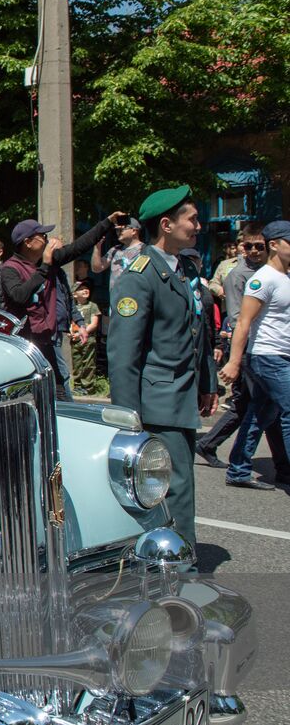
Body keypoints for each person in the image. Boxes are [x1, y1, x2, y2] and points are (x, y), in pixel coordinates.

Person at [107, 186, 216, 545]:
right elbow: (124, 352)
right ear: (166, 225)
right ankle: (181, 568)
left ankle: (166, 558)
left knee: (174, 485)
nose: (198, 226)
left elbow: (198, 330)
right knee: (176, 487)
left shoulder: (185, 269)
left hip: (182, 395)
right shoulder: (139, 275)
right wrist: (127, 416)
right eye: (193, 219)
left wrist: (208, 383)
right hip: (158, 401)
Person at [1, 212, 124, 394]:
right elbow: (19, 295)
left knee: (58, 390)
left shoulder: (51, 261)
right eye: (42, 236)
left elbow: (79, 246)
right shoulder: (10, 268)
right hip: (25, 343)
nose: (47, 240)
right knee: (27, 392)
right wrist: (44, 268)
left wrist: (107, 222)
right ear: (27, 242)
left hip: (47, 339)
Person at [219, 220, 290, 490]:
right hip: (267, 356)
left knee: (260, 413)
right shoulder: (263, 279)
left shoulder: (285, 277)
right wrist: (234, 362)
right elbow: (243, 322)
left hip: (280, 355)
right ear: (274, 245)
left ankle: (238, 469)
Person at [197, 223, 273, 469]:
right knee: (256, 402)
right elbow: (240, 318)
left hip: (259, 344)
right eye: (248, 246)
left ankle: (209, 444)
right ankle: (235, 459)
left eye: (259, 246)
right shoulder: (239, 275)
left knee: (250, 402)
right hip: (247, 345)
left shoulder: (269, 272)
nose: (253, 251)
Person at [90, 217, 144, 297]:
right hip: (115, 302)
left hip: (136, 301)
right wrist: (97, 247)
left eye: (122, 229)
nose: (118, 232)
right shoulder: (114, 250)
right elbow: (97, 268)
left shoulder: (146, 250)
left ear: (134, 231)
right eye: (117, 230)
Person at [69, 281, 102, 395]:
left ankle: (88, 387)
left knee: (88, 363)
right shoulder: (72, 308)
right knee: (76, 363)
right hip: (75, 340)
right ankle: (77, 386)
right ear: (74, 294)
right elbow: (70, 323)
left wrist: (81, 333)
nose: (85, 290)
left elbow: (94, 324)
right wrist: (71, 332)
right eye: (81, 289)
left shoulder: (92, 306)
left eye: (86, 288)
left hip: (88, 339)